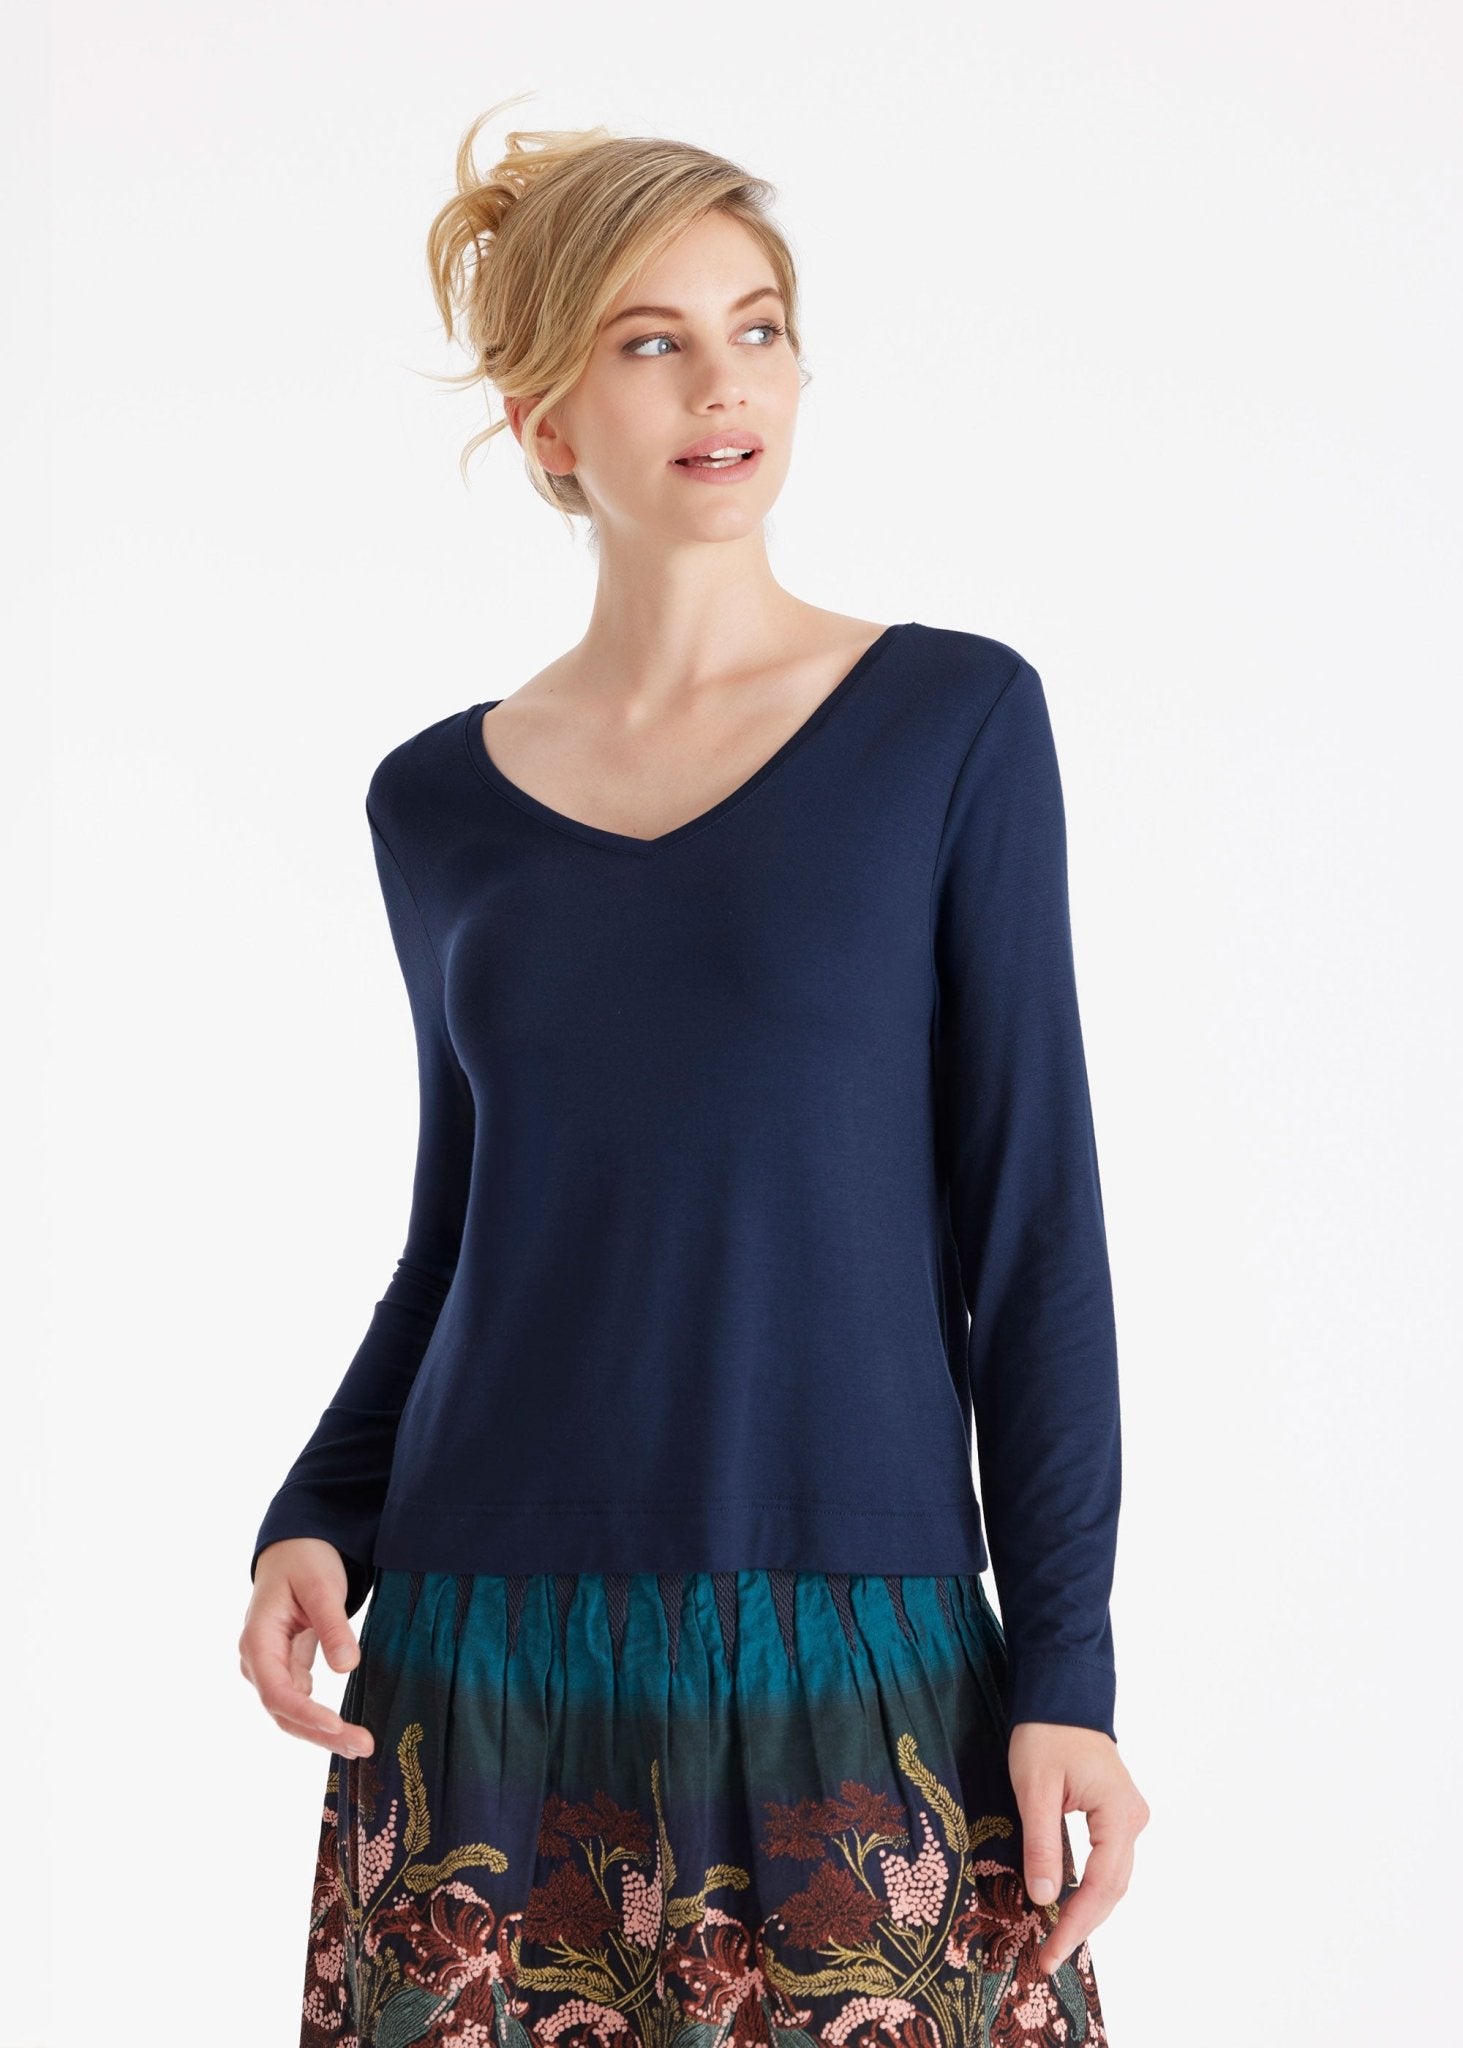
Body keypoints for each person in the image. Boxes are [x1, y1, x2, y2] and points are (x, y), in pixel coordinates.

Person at [239, 100, 1149, 2047]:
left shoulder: (952, 724)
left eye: (758, 327)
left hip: (852, 1651)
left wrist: (1067, 1666)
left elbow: (1034, 1233)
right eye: (650, 340)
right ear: (546, 419)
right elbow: (466, 1235)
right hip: (488, 1668)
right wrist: (319, 1513)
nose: (723, 381)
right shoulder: (435, 803)